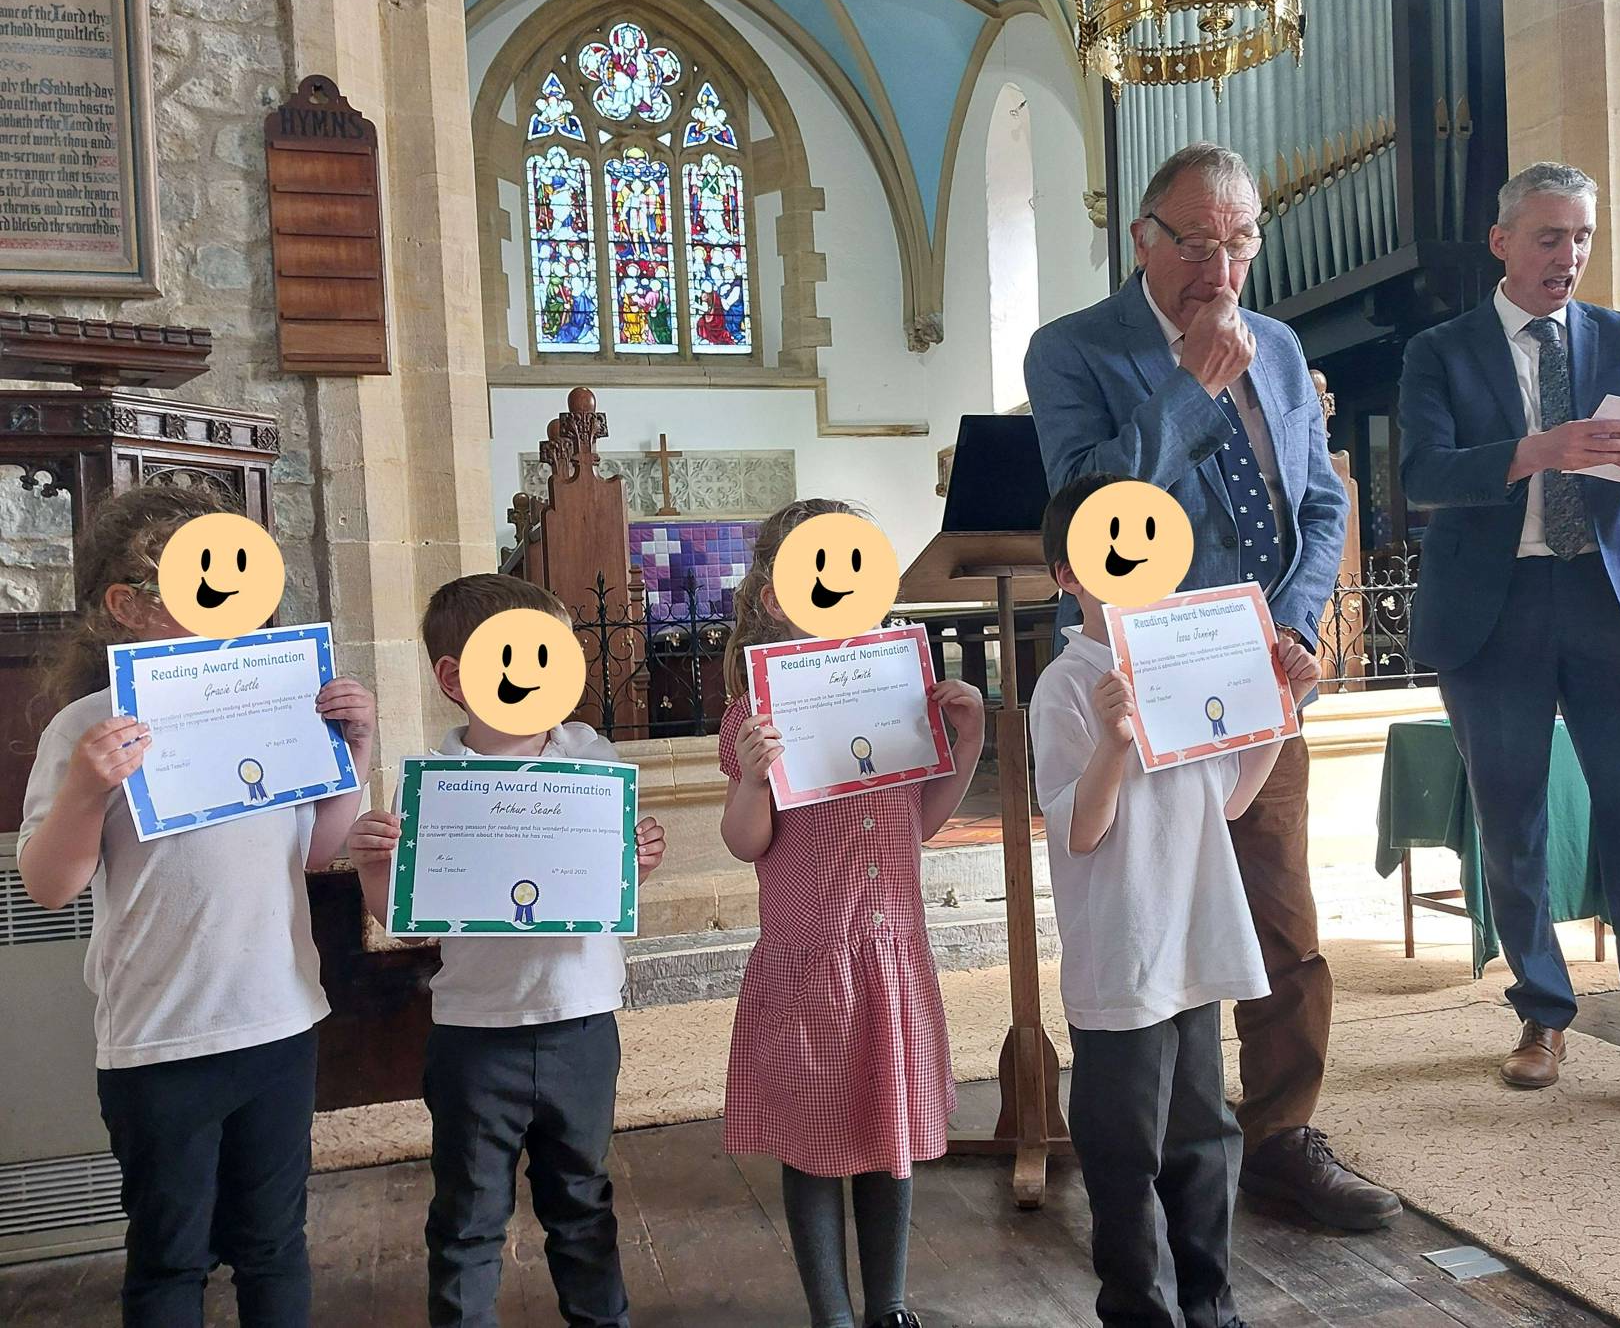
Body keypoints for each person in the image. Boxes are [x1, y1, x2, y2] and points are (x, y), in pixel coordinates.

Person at [1025, 142, 1399, 1231]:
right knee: (1153, 918)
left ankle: (1281, 1137)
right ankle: (1150, 1150)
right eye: (1196, 244)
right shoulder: (1074, 350)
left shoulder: (1278, 345)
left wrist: (1295, 623)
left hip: (1256, 677)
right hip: (1141, 683)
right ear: (1144, 240)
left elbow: (1320, 503)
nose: (1220, 270)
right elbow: (1088, 506)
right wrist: (1187, 388)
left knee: (1282, 916)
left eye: (1239, 244)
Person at [1398, 160, 1620, 1108]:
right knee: (1513, 823)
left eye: (1583, 237)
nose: (1570, 255)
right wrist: (1533, 451)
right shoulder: (1440, 350)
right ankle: (1543, 1015)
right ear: (1502, 242)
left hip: (1610, 603)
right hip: (1494, 610)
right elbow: (1422, 474)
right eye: (1550, 237)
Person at [17, 483, 377, 1328]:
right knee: (169, 1257)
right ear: (128, 605)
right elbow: (48, 884)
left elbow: (314, 851)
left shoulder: (280, 707)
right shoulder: (86, 726)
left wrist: (354, 753)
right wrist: (85, 788)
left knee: (274, 1245)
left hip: (279, 1020)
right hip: (161, 1040)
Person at [1030, 471, 1322, 1328]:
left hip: (1195, 939)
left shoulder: (1189, 664)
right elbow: (1082, 830)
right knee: (1124, 1149)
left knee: (1204, 1138)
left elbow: (1231, 798)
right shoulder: (1066, 685)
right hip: (1122, 955)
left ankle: (1212, 1305)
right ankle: (1136, 1309)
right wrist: (1115, 741)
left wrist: (1281, 705)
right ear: (1067, 574)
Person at [343, 573, 670, 1326]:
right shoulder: (432, 785)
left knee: (583, 1200)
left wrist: (638, 862)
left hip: (580, 1020)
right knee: (468, 1213)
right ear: (455, 678)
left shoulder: (595, 763)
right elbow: (408, 923)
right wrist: (373, 867)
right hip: (474, 1032)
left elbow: (610, 888)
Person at [717, 499, 987, 1328]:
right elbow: (747, 841)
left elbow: (920, 821)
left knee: (888, 1131)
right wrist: (752, 777)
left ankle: (889, 1305)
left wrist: (968, 741)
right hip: (813, 956)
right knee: (812, 1141)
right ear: (775, 597)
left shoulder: (899, 693)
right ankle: (832, 1314)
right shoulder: (754, 715)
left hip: (889, 954)